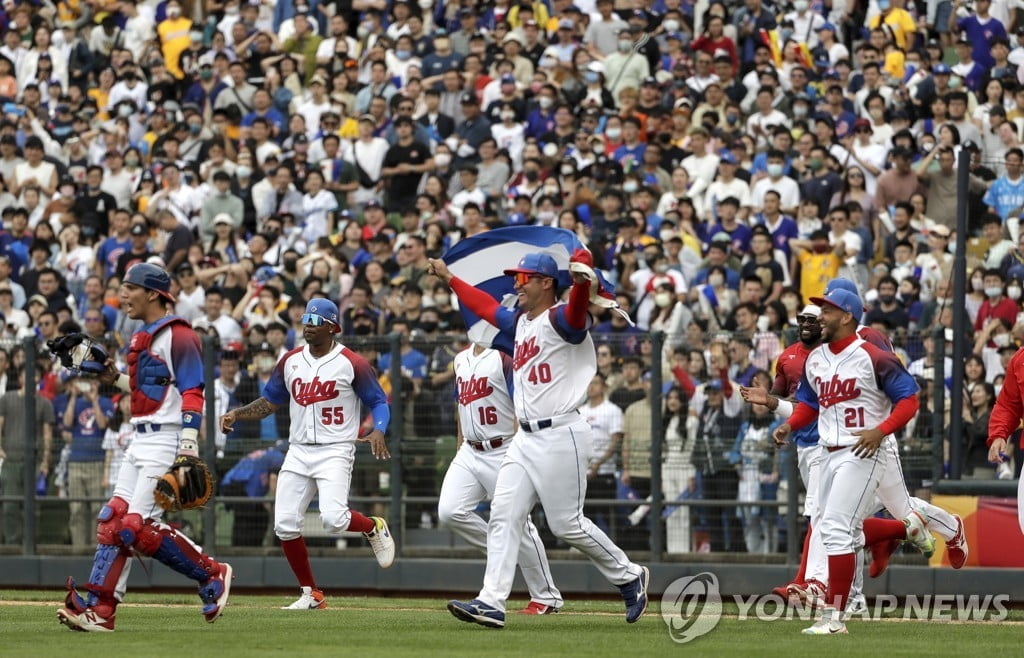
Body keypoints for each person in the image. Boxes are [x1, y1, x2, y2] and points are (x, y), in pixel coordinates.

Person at [429, 251, 648, 629]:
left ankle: (629, 575)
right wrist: (450, 278)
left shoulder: (561, 318)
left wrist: (581, 274)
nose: (516, 284)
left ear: (546, 282)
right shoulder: (520, 323)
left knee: (566, 525)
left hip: (562, 432)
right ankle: (491, 602)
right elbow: (482, 304)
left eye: (524, 278)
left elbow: (577, 310)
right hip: (525, 438)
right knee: (504, 515)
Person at [59, 263, 232, 632]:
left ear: (153, 293)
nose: (121, 295)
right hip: (140, 437)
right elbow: (148, 391)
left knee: (137, 526)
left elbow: (192, 391)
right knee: (112, 521)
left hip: (167, 437)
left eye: (129, 288)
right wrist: (109, 375)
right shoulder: (142, 335)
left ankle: (212, 573)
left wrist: (188, 444)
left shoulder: (179, 334)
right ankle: (101, 609)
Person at [772, 286, 936, 635]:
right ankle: (905, 530)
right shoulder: (816, 358)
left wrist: (881, 430)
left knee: (835, 527)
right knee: (834, 528)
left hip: (862, 451)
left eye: (827, 311)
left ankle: (834, 618)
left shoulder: (873, 355)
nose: (821, 317)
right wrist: (788, 425)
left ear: (846, 316)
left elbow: (909, 398)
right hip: (828, 452)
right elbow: (810, 405)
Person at [219, 298, 395, 610]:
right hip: (298, 450)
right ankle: (311, 593)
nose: (309, 327)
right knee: (285, 523)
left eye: (316, 322)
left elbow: (378, 401)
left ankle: (372, 527)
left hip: (336, 449)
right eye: (306, 321)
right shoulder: (290, 361)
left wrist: (379, 428)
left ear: (333, 327)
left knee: (333, 519)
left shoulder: (351, 362)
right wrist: (238, 413)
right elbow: (269, 402)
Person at [436, 343, 563, 615]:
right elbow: (462, 406)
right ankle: (503, 550)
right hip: (470, 450)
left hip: (504, 446)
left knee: (518, 523)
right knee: (449, 511)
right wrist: (460, 446)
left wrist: (521, 449)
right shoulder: (460, 359)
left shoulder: (503, 355)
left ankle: (546, 596)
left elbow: (520, 405)